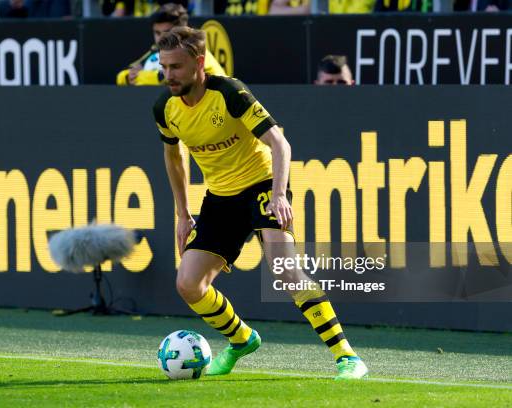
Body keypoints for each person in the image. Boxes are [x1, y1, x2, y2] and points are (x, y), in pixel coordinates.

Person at [152, 26, 368, 379]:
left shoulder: (230, 93)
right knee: (188, 284)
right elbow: (174, 156)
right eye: (164, 66)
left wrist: (280, 194)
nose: (168, 75)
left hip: (261, 185)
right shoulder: (166, 108)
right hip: (220, 198)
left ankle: (347, 357)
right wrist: (182, 213)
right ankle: (242, 340)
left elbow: (280, 144)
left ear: (199, 63)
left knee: (284, 271)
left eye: (175, 67)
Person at [116, 3, 225, 86]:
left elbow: (164, 78)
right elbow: (122, 74)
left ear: (182, 29)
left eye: (167, 32)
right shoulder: (158, 48)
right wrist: (127, 77)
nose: (160, 39)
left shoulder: (192, 49)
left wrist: (140, 76)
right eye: (157, 33)